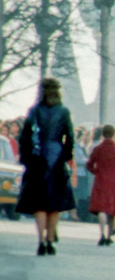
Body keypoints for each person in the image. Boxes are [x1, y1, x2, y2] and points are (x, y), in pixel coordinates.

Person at [18, 79, 75, 256]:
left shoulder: (34, 111)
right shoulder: (64, 111)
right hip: (56, 159)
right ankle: (51, 240)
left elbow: (25, 136)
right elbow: (69, 137)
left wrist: (27, 158)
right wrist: (65, 156)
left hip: (37, 159)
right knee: (54, 204)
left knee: (39, 204)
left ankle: (41, 240)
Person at [87, 125, 115, 247]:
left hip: (101, 180)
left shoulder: (98, 149)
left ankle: (102, 233)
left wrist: (96, 171)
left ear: (103, 134)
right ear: (114, 135)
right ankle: (109, 235)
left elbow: (89, 164)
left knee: (101, 208)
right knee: (113, 209)